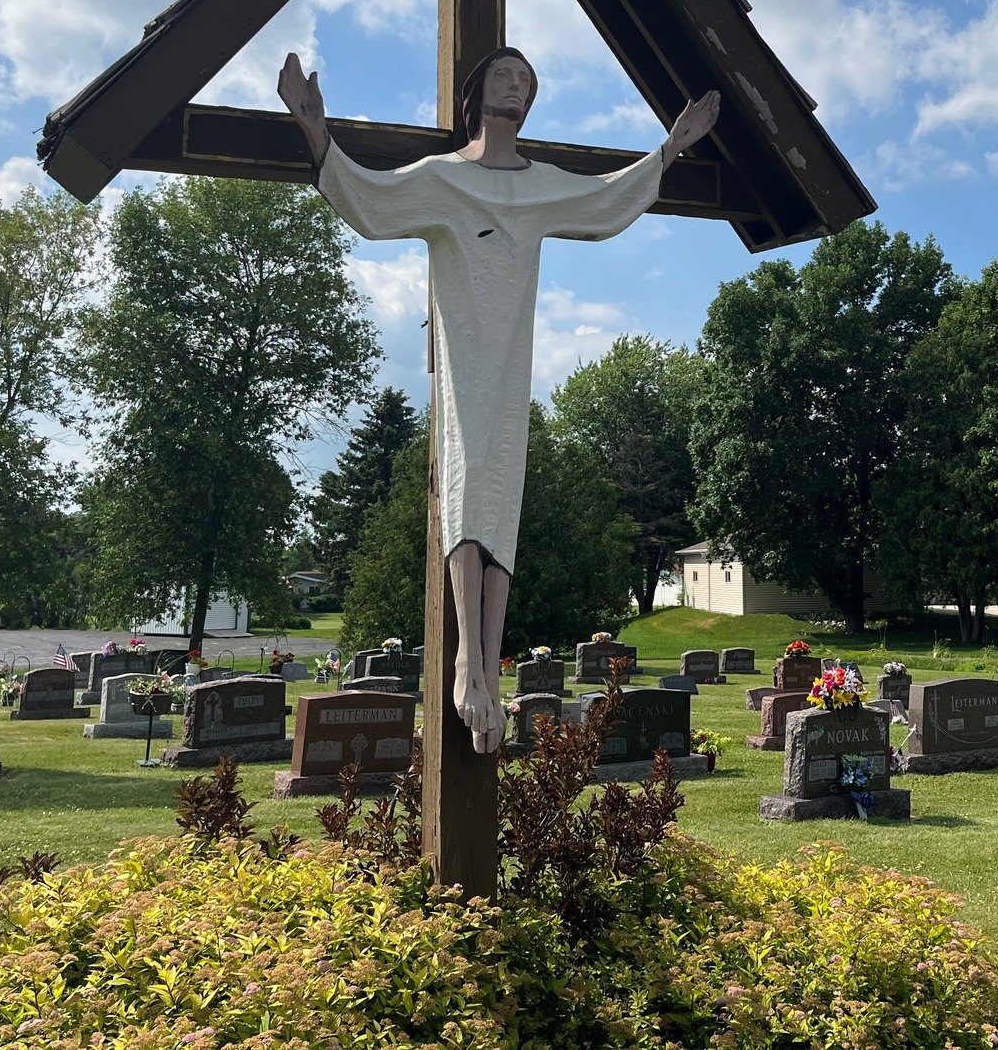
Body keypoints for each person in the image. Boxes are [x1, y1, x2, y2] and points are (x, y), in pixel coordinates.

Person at [278, 46, 718, 752]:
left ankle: (488, 659)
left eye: (528, 80)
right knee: (468, 473)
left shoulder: (542, 186)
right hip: (463, 355)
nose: (517, 85)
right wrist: (312, 126)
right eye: (506, 75)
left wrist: (671, 149)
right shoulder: (441, 180)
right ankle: (465, 664)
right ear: (478, 91)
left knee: (501, 482)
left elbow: (604, 200)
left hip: (511, 358)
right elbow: (368, 199)